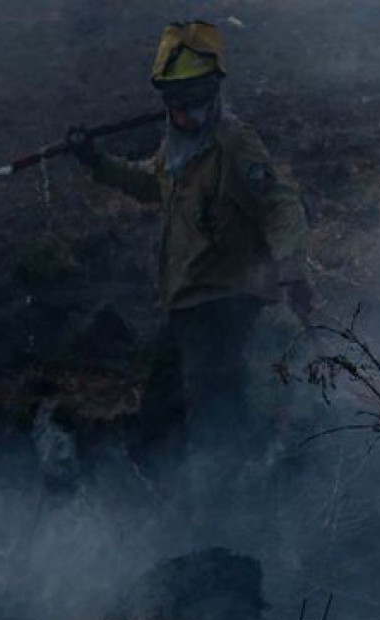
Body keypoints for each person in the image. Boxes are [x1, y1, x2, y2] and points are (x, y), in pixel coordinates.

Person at [67, 21, 311, 459]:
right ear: (168, 102)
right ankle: (160, 484)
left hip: (225, 300)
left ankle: (218, 500)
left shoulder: (233, 143)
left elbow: (280, 205)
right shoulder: (180, 146)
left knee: (212, 410)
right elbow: (150, 184)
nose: (193, 113)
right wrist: (95, 162)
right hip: (187, 301)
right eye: (183, 104)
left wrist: (292, 268)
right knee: (161, 404)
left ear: (213, 92)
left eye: (201, 101)